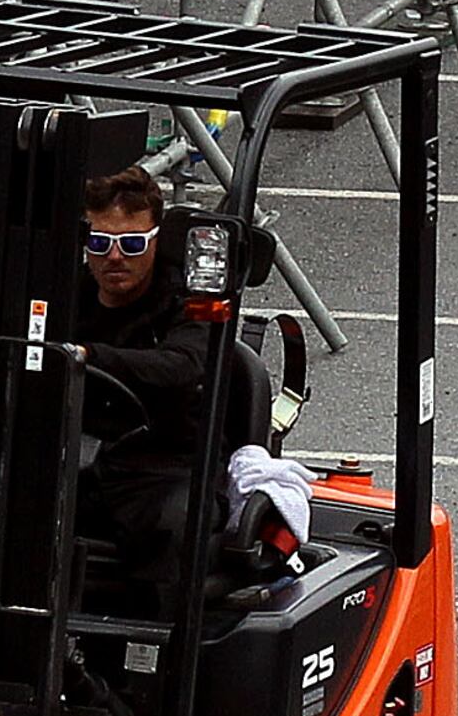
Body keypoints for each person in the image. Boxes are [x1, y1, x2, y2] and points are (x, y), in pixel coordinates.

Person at [74, 173, 313, 590]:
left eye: (131, 243)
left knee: (171, 528)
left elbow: (179, 368)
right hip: (81, 463)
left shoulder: (191, 302)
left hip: (166, 469)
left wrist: (89, 356)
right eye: (100, 243)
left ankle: (156, 647)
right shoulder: (64, 298)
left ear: (155, 240)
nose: (115, 257)